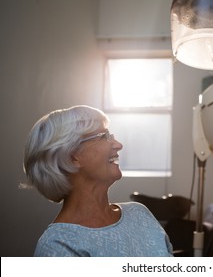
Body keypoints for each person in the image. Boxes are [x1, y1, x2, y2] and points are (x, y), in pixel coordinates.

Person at [23, 105, 173, 257]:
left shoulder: (139, 213)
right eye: (104, 136)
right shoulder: (57, 246)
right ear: (73, 157)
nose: (118, 145)